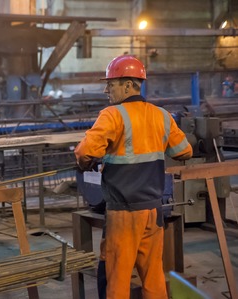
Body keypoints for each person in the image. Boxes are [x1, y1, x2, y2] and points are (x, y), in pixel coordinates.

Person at [74, 55, 193, 299]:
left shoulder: (112, 115)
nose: (106, 89)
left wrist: (86, 162)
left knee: (116, 280)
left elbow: (85, 152)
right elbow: (185, 151)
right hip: (153, 212)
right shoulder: (162, 116)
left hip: (123, 216)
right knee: (153, 277)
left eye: (111, 83)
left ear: (128, 84)